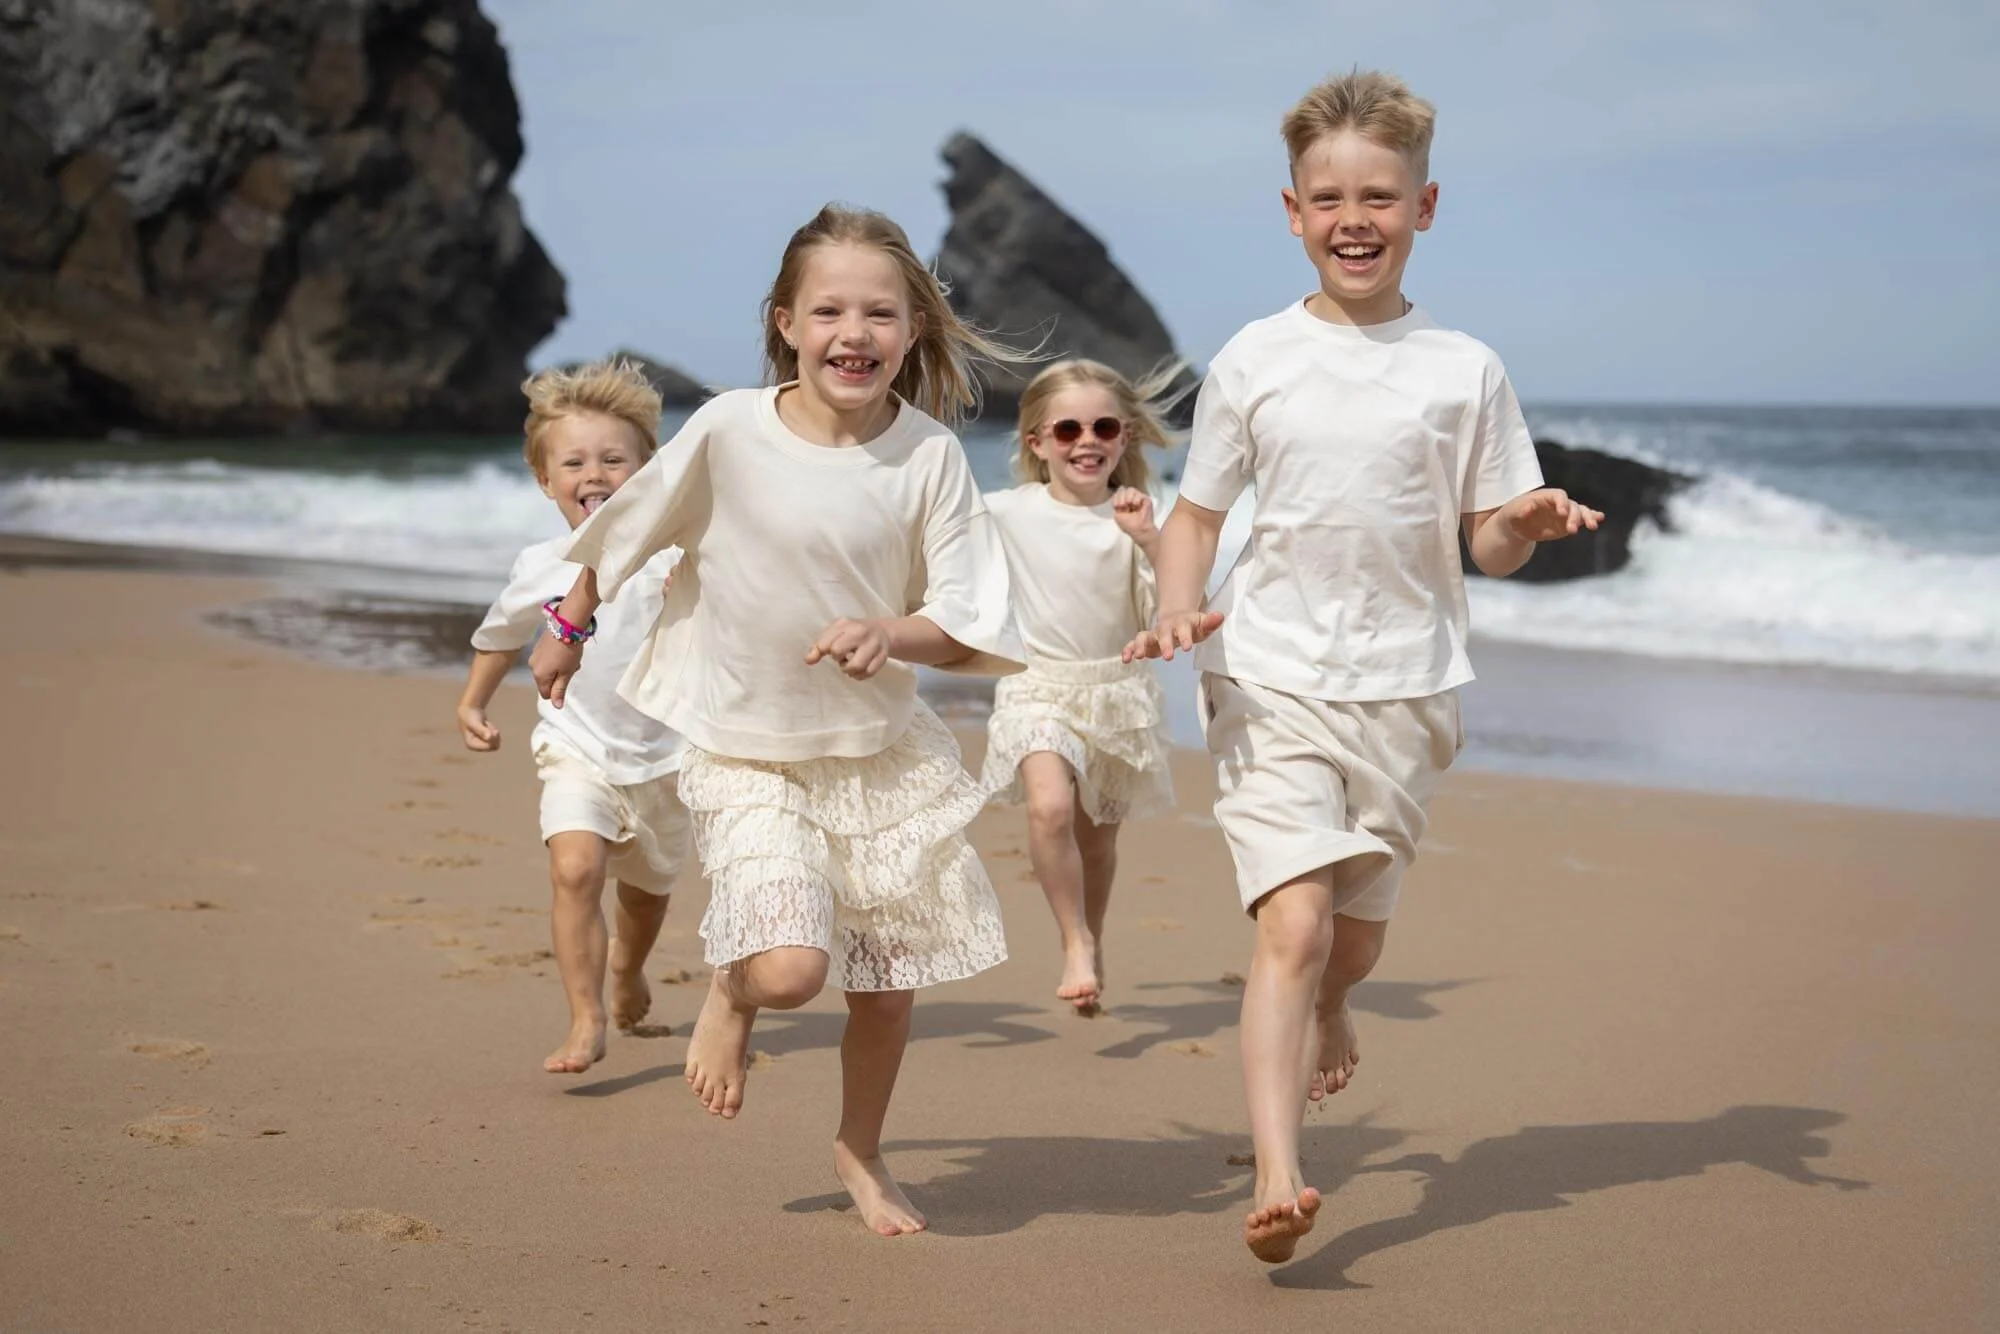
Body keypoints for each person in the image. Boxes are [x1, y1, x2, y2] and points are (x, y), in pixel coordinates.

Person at [1125, 70, 1603, 1263]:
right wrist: (1184, 610)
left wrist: (1525, 520)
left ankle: (1338, 1005)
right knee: (1288, 920)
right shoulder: (1252, 357)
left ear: (1423, 206)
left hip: (1405, 688)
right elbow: (1194, 518)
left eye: (1378, 197)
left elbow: (1483, 544)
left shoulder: (1464, 368)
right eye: (1327, 196)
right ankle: (1280, 1172)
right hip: (1269, 673)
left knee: (1350, 943)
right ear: (1290, 211)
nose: (1354, 217)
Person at [529, 205, 1028, 1237]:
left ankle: (861, 1146)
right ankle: (731, 984)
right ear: (786, 322)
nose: (856, 331)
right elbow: (625, 526)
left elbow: (964, 612)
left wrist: (891, 633)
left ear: (912, 331)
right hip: (747, 745)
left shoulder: (929, 456)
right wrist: (565, 624)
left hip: (876, 755)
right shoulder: (728, 429)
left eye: (880, 312)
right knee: (794, 969)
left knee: (885, 989)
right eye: (831, 310)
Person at [457, 359, 691, 1075]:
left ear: (647, 470)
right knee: (576, 868)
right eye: (576, 461)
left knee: (648, 894)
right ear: (544, 479)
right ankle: (586, 1018)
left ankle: (627, 971)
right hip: (576, 741)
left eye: (614, 458)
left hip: (669, 756)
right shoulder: (541, 562)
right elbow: (501, 634)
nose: (596, 473)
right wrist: (472, 701)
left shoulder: (677, 554)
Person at [979, 359, 1179, 1015]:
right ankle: (1073, 942)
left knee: (1097, 843)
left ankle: (1090, 935)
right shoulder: (1004, 512)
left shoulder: (1138, 520)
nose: (1086, 440)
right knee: (1050, 810)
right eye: (1067, 429)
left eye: (1103, 427)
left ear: (1125, 437)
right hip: (1037, 688)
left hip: (1116, 695)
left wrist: (1148, 539)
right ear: (1037, 441)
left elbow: (1170, 607)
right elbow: (920, 546)